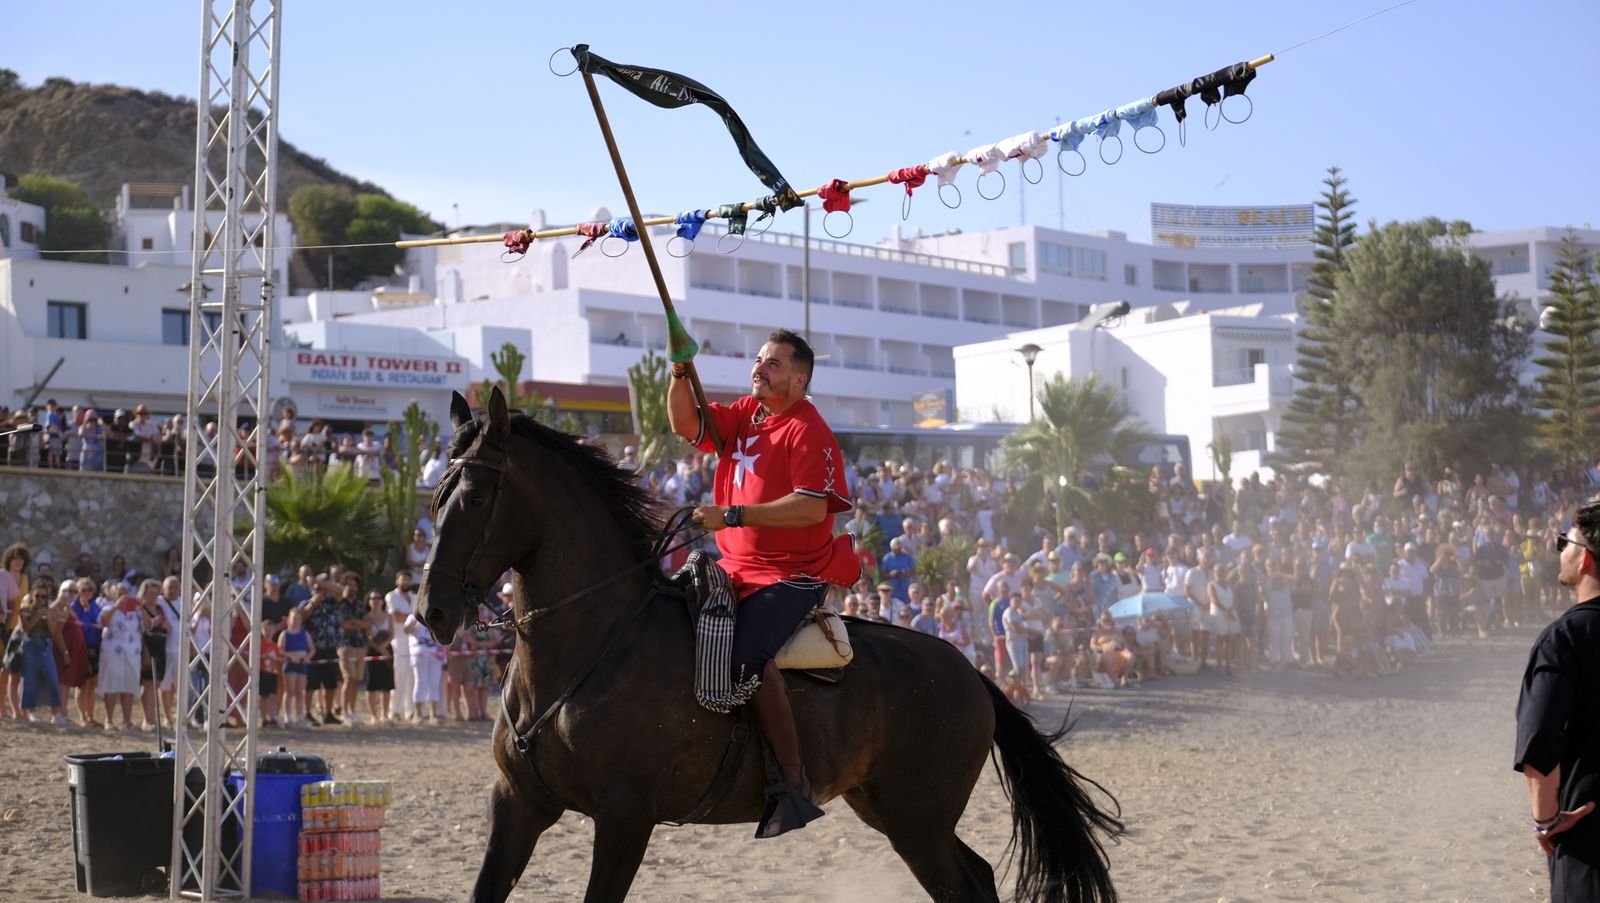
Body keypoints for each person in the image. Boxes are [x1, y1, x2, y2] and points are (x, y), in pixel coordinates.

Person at [670, 328, 858, 838]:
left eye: (773, 364)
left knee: (743, 657)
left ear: (799, 378)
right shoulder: (744, 415)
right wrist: (681, 369)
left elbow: (812, 506)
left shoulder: (807, 428)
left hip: (792, 576)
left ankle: (793, 786)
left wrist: (730, 515)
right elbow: (686, 420)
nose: (759, 368)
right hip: (732, 570)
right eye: (758, 360)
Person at [1514, 500, 1600, 898]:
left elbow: (1541, 741)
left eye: (1565, 542)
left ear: (1584, 560)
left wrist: (1546, 820)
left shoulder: (1564, 639)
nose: (1560, 550)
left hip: (1590, 837)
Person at [385, 570, 418, 722]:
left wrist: (414, 618)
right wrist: (414, 617)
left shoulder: (415, 597)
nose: (405, 583)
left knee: (412, 679)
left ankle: (410, 711)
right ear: (397, 581)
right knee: (399, 678)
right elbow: (396, 616)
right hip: (398, 642)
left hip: (414, 642)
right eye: (402, 580)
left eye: (408, 580)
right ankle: (395, 711)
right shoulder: (391, 596)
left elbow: (420, 618)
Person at [279, 608, 313, 727]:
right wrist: (291, 656)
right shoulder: (285, 634)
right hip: (290, 664)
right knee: (290, 691)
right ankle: (287, 716)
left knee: (300, 692)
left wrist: (307, 657)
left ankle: (299, 716)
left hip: (302, 664)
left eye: (298, 619)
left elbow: (312, 649)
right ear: (289, 619)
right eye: (294, 618)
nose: (296, 621)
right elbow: (280, 650)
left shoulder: (305, 634)